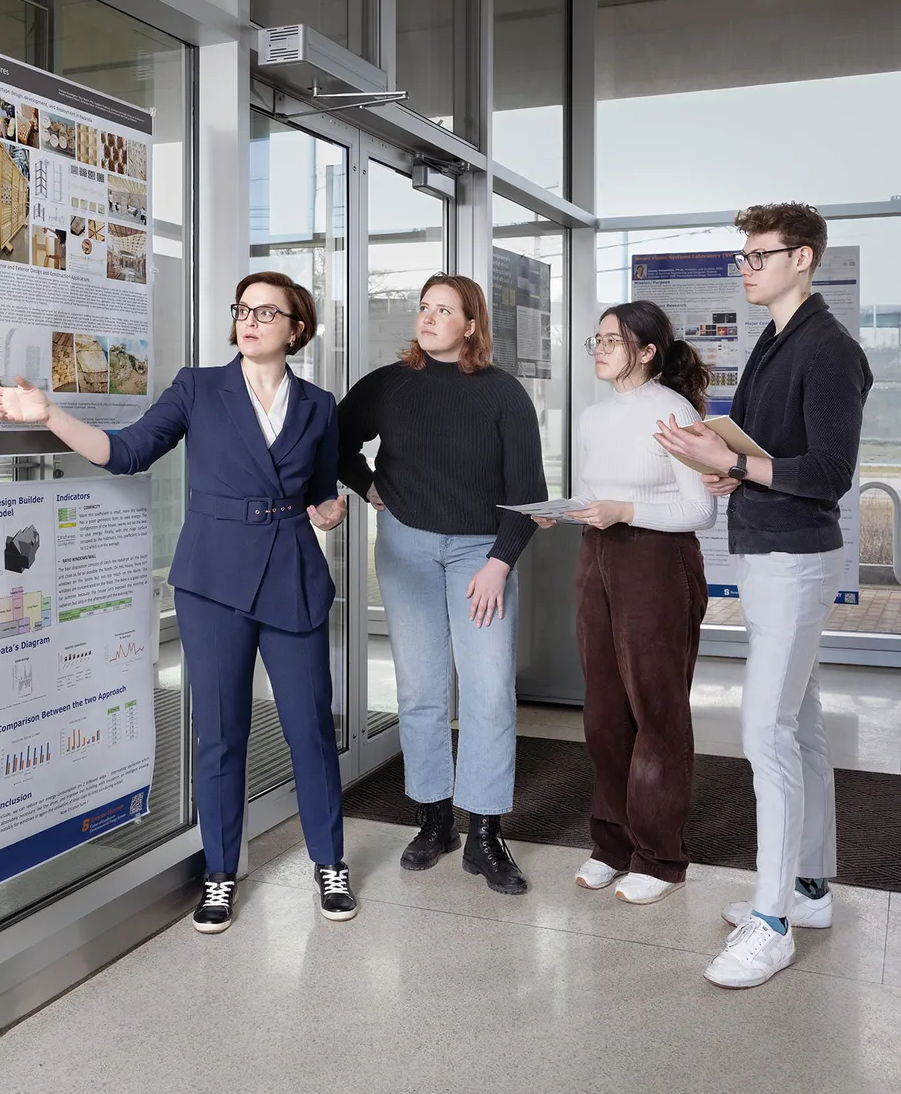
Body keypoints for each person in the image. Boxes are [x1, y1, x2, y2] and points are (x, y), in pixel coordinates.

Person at [0, 271, 357, 936]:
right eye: (242, 308)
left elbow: (322, 490)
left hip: (292, 572)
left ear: (298, 328)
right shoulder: (198, 387)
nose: (251, 320)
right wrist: (49, 414)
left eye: (269, 311)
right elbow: (125, 453)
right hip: (213, 579)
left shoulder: (320, 404)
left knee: (310, 729)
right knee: (220, 734)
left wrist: (330, 510)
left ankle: (330, 863)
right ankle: (219, 874)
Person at [657, 204, 872, 989]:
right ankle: (809, 887)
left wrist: (738, 465)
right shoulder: (776, 340)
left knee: (766, 734)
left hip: (795, 558)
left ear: (803, 258)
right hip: (769, 551)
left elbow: (828, 473)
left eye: (759, 255)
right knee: (802, 726)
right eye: (742, 255)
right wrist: (725, 463)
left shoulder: (830, 349)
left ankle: (773, 921)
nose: (744, 266)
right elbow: (764, 449)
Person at [337, 273, 545, 895]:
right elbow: (332, 441)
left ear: (472, 324)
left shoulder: (504, 395)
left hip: (483, 554)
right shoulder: (390, 384)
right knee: (421, 689)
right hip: (407, 548)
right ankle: (434, 820)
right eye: (423, 308)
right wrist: (367, 485)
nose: (428, 318)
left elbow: (528, 495)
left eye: (443, 310)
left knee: (486, 691)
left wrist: (500, 563)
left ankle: (485, 833)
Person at [544, 303, 713, 903]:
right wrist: (565, 511)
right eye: (598, 337)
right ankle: (611, 844)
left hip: (658, 562)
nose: (600, 347)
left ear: (646, 352)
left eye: (613, 340)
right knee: (604, 713)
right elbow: (596, 494)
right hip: (598, 554)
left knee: (656, 709)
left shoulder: (674, 410)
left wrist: (625, 512)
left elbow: (700, 510)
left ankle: (661, 856)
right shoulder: (593, 417)